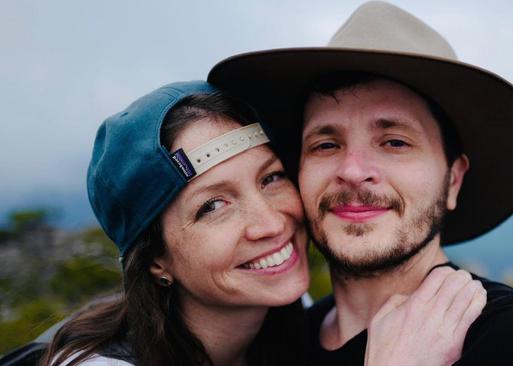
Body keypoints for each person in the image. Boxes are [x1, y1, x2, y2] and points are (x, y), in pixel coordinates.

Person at [207, 1, 513, 365]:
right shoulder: (280, 345)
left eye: (394, 141)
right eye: (326, 144)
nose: (353, 170)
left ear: (453, 180)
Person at [28, 81, 485, 366]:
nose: (270, 223)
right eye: (213, 206)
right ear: (156, 261)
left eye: (271, 178)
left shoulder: (292, 323)